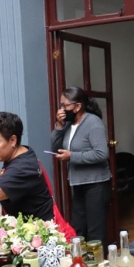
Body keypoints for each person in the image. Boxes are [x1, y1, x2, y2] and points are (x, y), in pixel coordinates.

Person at [50, 87, 111, 250]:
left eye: (65, 106)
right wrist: (59, 126)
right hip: (78, 184)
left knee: (95, 232)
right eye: (61, 105)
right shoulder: (68, 124)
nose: (61, 110)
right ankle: (79, 262)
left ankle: (99, 263)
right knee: (77, 229)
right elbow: (56, 147)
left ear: (77, 106)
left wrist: (72, 156)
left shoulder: (93, 123)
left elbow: (101, 153)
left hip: (96, 184)